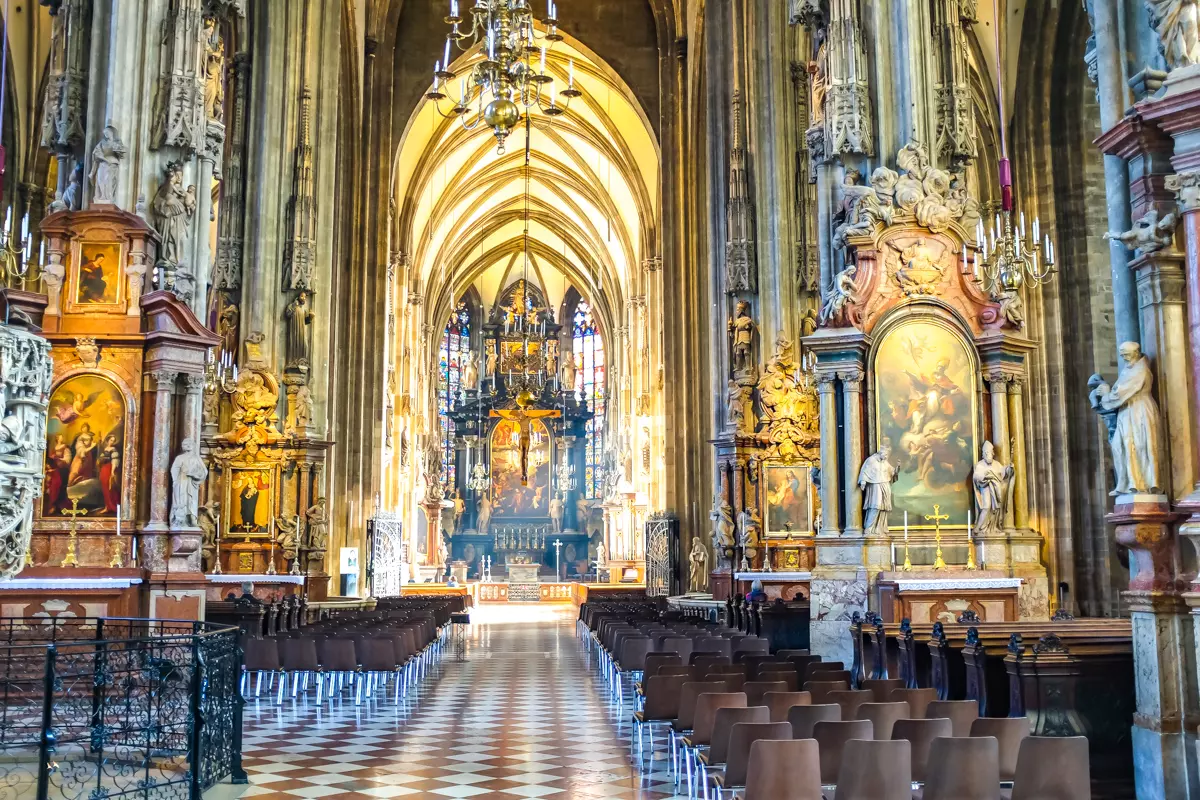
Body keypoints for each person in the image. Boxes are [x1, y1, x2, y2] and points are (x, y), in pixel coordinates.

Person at [858, 441, 899, 536]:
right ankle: (869, 528)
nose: (886, 457)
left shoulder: (884, 461)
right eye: (885, 455)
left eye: (887, 455)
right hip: (875, 485)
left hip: (885, 484)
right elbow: (865, 471)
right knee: (875, 505)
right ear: (880, 453)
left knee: (884, 507)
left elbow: (892, 472)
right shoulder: (871, 460)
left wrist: (897, 468)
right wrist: (863, 481)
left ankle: (879, 528)